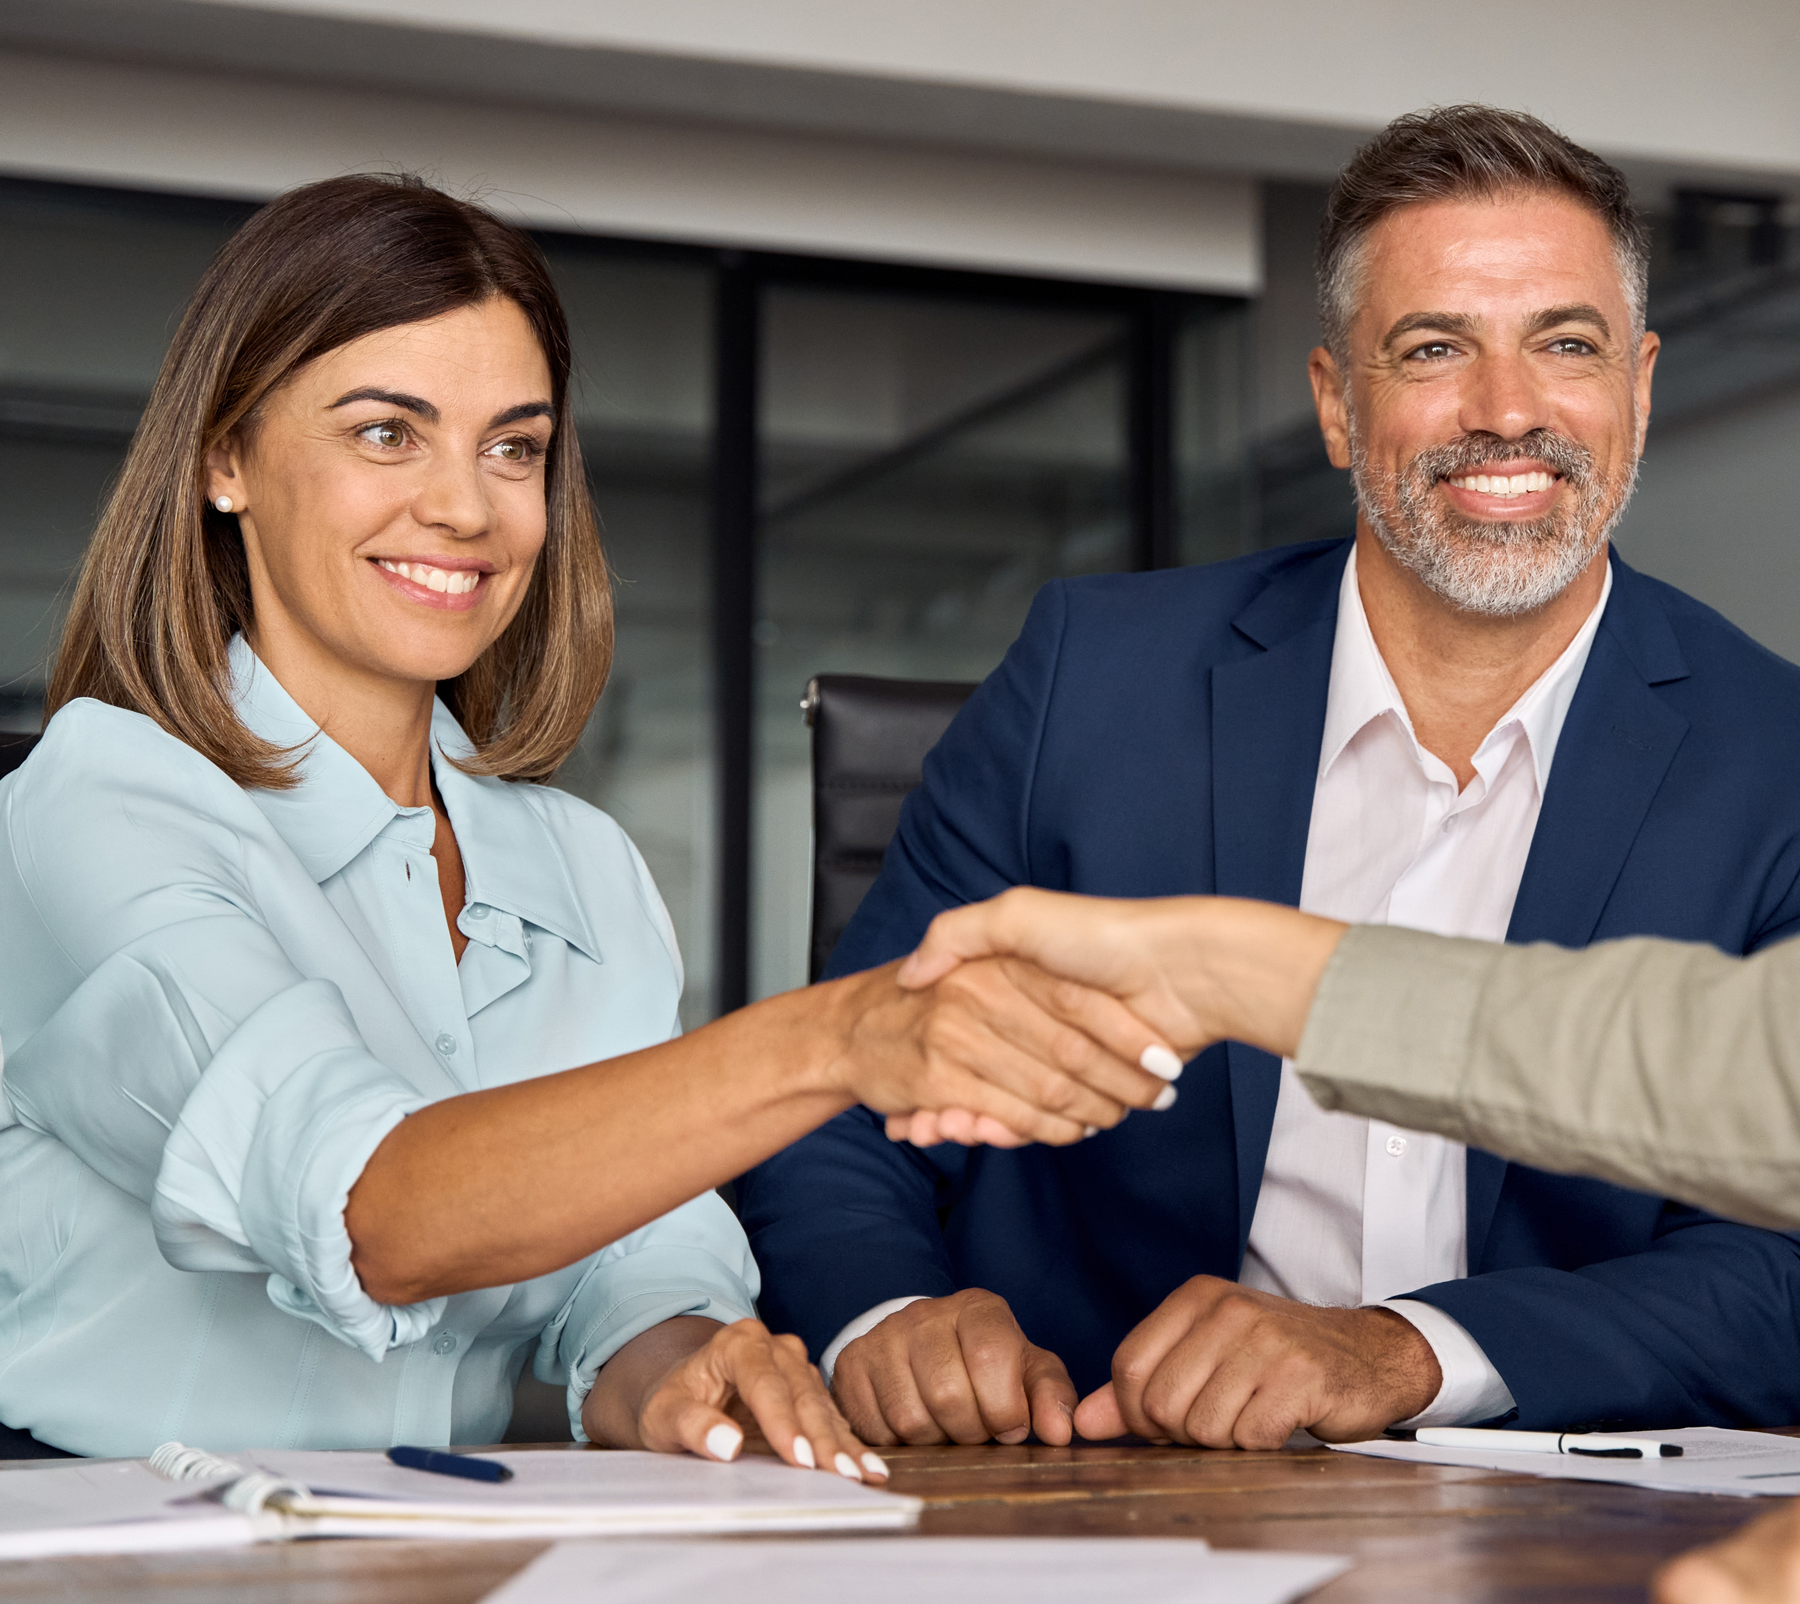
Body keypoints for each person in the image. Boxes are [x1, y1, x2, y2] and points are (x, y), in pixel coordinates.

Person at [0, 174, 1176, 1464]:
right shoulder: (96, 801)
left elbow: (641, 1264)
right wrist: (834, 1041)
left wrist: (677, 1368)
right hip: (120, 1545)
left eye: (514, 446)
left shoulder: (581, 864)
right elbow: (371, 1207)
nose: (467, 505)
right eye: (387, 433)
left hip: (439, 1541)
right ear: (226, 458)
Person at [739, 104, 1800, 1456]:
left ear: (1639, 387)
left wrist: (1413, 1351)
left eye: (1567, 346)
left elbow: (1783, 1261)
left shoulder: (1778, 761)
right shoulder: (1092, 676)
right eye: (1433, 350)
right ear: (1335, 404)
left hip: (1559, 1514)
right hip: (1093, 1492)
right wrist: (890, 1311)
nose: (1508, 412)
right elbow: (840, 1084)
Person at [890, 891, 1800, 1604]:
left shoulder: (1764, 744)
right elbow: (1740, 1055)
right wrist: (1216, 969)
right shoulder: (1082, 681)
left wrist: (1410, 1347)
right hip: (1073, 1501)